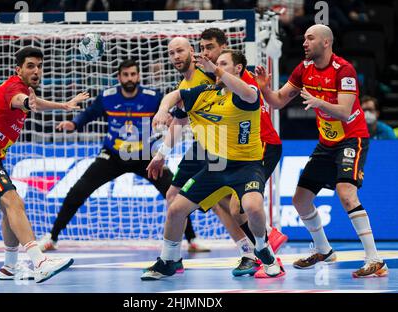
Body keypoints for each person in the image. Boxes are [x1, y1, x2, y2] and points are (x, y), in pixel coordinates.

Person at [148, 30, 288, 277]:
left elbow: (247, 91)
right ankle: (170, 259)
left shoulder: (232, 80)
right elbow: (179, 114)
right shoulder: (201, 87)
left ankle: (258, 248)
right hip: (213, 150)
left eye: (210, 48)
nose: (207, 54)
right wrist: (161, 146)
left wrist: (217, 69)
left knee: (241, 207)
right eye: (171, 52)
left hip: (252, 150)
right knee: (174, 199)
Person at [255, 24, 388, 278]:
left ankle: (375, 260)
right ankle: (324, 250)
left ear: (326, 42)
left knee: (346, 193)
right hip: (326, 143)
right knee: (300, 199)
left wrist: (319, 102)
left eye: (310, 38)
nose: (304, 43)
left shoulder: (344, 70)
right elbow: (279, 101)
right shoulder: (303, 69)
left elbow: (345, 110)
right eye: (304, 38)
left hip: (352, 139)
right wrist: (264, 89)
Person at [37, 59, 206, 256]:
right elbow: (90, 113)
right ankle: (52, 237)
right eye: (125, 75)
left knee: (174, 194)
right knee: (78, 190)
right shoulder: (108, 97)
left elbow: (174, 112)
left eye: (133, 74)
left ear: (138, 76)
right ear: (119, 77)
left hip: (145, 156)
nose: (130, 78)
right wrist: (74, 124)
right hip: (113, 155)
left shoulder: (152, 98)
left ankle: (192, 239)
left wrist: (169, 116)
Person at [0, 46, 84, 283]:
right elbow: (21, 100)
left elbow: (35, 102)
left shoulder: (25, 89)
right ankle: (40, 261)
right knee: (14, 202)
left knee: (9, 208)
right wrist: (27, 102)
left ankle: (9, 267)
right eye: (30, 66)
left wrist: (63, 106)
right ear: (19, 69)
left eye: (39, 66)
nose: (36, 70)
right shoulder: (14, 88)